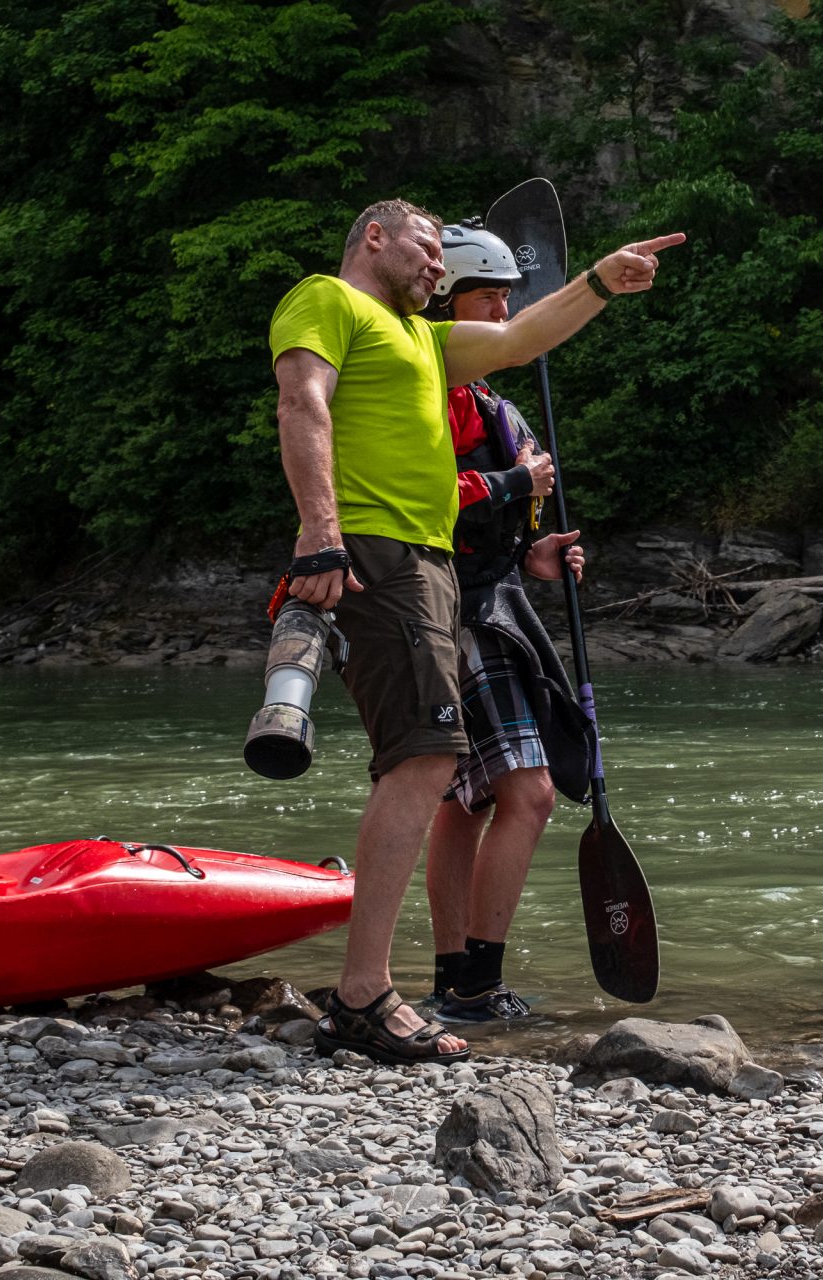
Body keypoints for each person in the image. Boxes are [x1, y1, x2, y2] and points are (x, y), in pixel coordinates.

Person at [269, 197, 682, 1067]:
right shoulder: (327, 299)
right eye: (427, 248)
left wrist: (602, 281)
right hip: (380, 553)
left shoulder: (426, 343)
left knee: (429, 763)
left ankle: (373, 989)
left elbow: (522, 339)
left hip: (437, 568)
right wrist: (320, 533)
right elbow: (303, 404)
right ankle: (364, 996)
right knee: (422, 761)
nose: (437, 267)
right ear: (372, 236)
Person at [421, 221, 595, 1023]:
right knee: (527, 795)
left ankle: (455, 978)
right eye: (488, 296)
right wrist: (511, 480)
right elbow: (417, 500)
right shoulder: (420, 390)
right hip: (446, 609)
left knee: (470, 802)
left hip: (493, 601)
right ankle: (476, 985)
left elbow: (498, 532)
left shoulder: (488, 403)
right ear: (450, 304)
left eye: (503, 296)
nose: (503, 309)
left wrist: (540, 556)